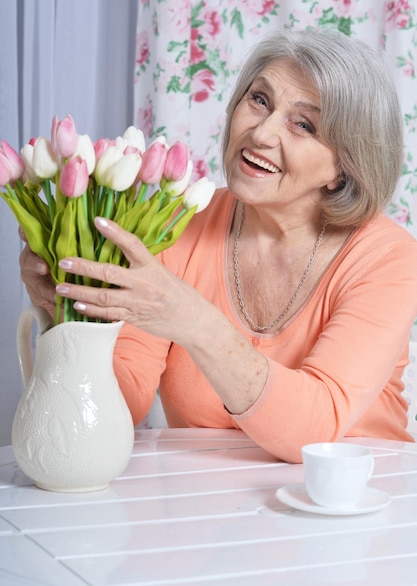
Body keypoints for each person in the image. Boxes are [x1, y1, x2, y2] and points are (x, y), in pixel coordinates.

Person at [20, 28, 417, 463]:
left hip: (356, 509)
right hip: (207, 509)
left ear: (342, 168)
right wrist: (69, 308)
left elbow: (315, 426)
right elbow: (122, 397)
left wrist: (194, 322)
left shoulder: (387, 258)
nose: (262, 133)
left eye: (304, 124)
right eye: (260, 100)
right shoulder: (177, 224)